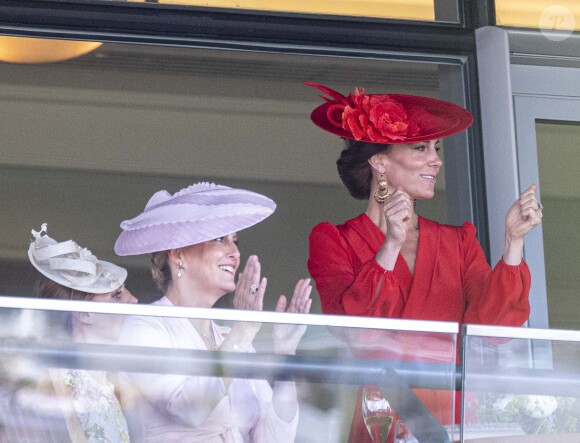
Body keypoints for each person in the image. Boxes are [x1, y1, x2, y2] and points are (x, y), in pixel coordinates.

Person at [305, 83, 543, 441]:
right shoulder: (334, 240)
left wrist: (514, 242)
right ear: (380, 162)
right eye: (421, 148)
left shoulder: (458, 241)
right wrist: (391, 245)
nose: (437, 160)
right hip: (381, 414)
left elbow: (492, 333)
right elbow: (355, 332)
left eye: (436, 148)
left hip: (456, 413)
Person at [114, 182, 312, 442]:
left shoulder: (227, 337)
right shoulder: (144, 326)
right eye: (220, 238)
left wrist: (286, 356)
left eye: (235, 241)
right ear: (178, 254)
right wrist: (243, 331)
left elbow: (274, 438)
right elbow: (189, 410)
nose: (235, 252)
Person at [28, 223, 138, 443]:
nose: (134, 300)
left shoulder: (114, 383)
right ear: (85, 313)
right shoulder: (54, 381)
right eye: (117, 295)